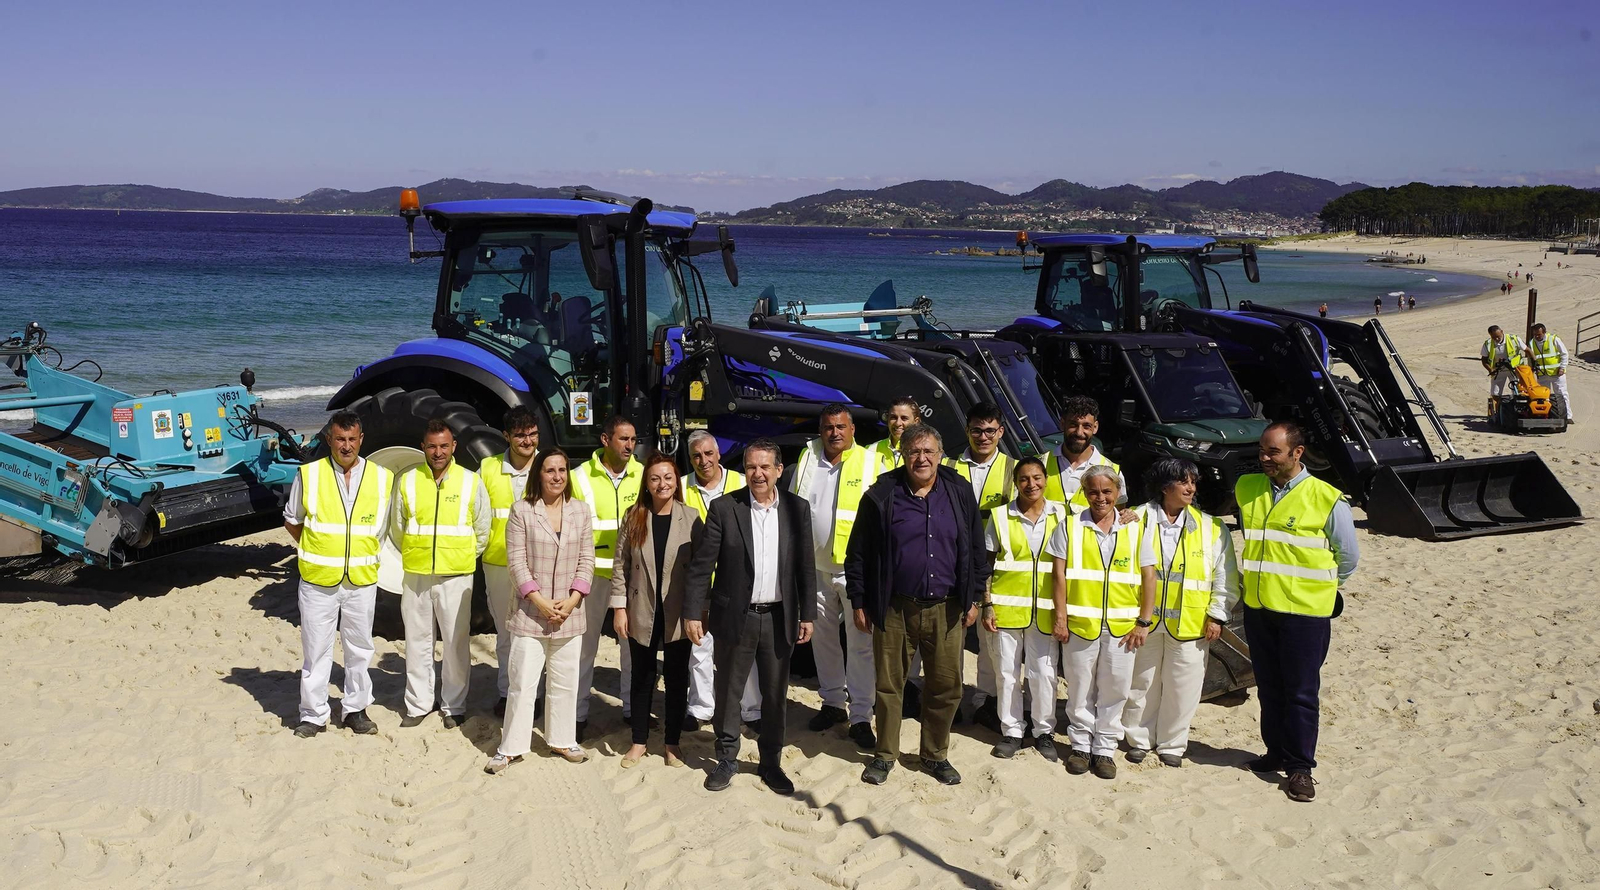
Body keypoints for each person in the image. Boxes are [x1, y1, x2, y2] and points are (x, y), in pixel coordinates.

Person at [848, 424, 987, 787]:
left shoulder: (958, 491)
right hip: (895, 608)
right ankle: (884, 755)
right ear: (903, 455)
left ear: (940, 455)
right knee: (889, 685)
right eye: (914, 451)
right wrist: (860, 600)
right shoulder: (881, 494)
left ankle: (934, 755)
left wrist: (975, 596)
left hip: (948, 608)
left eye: (928, 451)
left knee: (946, 685)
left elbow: (975, 548)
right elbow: (858, 553)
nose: (921, 458)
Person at [685, 439, 817, 794]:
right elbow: (702, 566)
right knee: (729, 691)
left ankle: (770, 763)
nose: (757, 474)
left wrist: (808, 613)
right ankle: (726, 759)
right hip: (735, 617)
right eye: (750, 467)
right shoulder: (725, 508)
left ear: (777, 470)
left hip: (778, 617)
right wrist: (694, 611)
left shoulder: (796, 508)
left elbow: (805, 566)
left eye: (764, 467)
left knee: (775, 694)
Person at [1238, 422, 1359, 803]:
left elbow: (1348, 557)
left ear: (1297, 453)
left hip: (1305, 614)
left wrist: (1319, 590)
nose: (1264, 458)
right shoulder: (1246, 487)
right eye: (1262, 450)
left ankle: (1301, 768)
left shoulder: (1326, 498)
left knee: (1301, 692)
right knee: (1269, 687)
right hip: (1259, 608)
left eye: (1273, 452)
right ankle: (1275, 752)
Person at [283, 411, 393, 738]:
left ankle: (355, 710)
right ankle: (313, 715)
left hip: (361, 579)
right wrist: (318, 549)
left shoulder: (381, 477)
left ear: (361, 440)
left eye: (352, 439)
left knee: (360, 648)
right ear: (330, 439)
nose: (346, 446)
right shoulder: (309, 474)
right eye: (340, 439)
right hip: (318, 581)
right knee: (316, 649)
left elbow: (384, 527)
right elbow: (292, 519)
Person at [1123, 458, 1238, 768]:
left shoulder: (1211, 527)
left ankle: (1173, 744)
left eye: (1193, 482)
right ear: (1165, 487)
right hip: (1142, 621)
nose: (1191, 488)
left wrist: (1217, 614)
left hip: (1190, 622)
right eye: (1184, 482)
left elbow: (1225, 575)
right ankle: (1138, 739)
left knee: (1183, 685)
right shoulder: (1135, 520)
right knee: (1141, 682)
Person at [485, 448, 593, 772]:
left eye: (562, 470)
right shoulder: (522, 511)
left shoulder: (581, 511)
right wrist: (541, 602)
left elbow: (586, 560)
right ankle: (512, 747)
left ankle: (561, 740)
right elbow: (516, 563)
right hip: (531, 613)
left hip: (569, 614)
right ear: (539, 474)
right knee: (522, 681)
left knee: (564, 681)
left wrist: (573, 600)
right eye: (550, 470)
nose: (557, 476)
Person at [1047, 465, 1147, 781]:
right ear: (1085, 493)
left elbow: (1149, 576)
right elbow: (1058, 575)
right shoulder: (1070, 526)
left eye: (1107, 491)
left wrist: (1144, 621)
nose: (1100, 497)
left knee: (1115, 689)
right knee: (1079, 689)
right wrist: (1060, 617)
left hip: (1122, 627)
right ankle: (1080, 747)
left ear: (1118, 493)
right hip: (1080, 623)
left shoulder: (1135, 527)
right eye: (1093, 491)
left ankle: (1104, 749)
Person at [391, 421, 491, 729]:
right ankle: (419, 703)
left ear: (454, 447)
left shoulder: (470, 481)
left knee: (455, 642)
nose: (438, 452)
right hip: (417, 574)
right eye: (432, 446)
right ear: (423, 446)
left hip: (456, 575)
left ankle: (453, 705)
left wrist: (458, 557)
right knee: (417, 640)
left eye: (444, 446)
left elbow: (482, 529)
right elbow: (398, 525)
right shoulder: (408, 481)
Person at [791, 405, 878, 748]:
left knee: (861, 644)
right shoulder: (808, 455)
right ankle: (832, 704)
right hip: (814, 567)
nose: (834, 433)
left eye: (841, 427)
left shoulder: (870, 462)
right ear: (820, 429)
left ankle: (861, 716)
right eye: (828, 427)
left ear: (853, 429)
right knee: (823, 640)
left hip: (854, 570)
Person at [611, 454, 703, 768]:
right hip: (641, 608)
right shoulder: (633, 516)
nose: (662, 484)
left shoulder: (691, 518)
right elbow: (620, 567)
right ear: (646, 484)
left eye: (668, 477)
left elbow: (702, 570)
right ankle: (638, 742)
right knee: (642, 677)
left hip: (678, 611)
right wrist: (619, 608)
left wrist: (699, 612)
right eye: (654, 478)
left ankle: (672, 744)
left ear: (676, 481)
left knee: (678, 679)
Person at [981, 457, 1067, 760]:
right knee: (1006, 673)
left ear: (1046, 479)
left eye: (1037, 478)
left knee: (1043, 674)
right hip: (1006, 609)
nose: (1031, 484)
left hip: (1045, 611)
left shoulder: (1064, 514)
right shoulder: (1001, 516)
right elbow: (987, 565)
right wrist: (987, 604)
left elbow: (1106, 514)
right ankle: (1012, 732)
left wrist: (1128, 516)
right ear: (1015, 483)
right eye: (1024, 479)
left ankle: (1043, 732)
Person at [679, 431, 761, 731]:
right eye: (697, 456)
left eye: (709, 454)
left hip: (736, 579)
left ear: (719, 453)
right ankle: (701, 708)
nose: (704, 461)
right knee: (700, 645)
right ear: (691, 459)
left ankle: (752, 710)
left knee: (744, 647)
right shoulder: (681, 486)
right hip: (700, 580)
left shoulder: (741, 482)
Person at [570, 415, 644, 739]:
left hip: (632, 576)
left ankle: (631, 710)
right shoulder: (579, 477)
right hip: (592, 575)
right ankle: (576, 715)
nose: (630, 446)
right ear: (605, 440)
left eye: (633, 440)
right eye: (623, 439)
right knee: (584, 648)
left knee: (632, 647)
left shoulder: (643, 474)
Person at [942, 402, 1015, 729]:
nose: (983, 437)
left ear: (1000, 431)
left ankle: (985, 700)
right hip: (950, 560)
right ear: (967, 431)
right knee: (950, 633)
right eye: (976, 430)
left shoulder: (1014, 470)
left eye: (990, 430)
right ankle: (951, 700)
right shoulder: (949, 466)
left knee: (990, 638)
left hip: (995, 565)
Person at [479, 406, 541, 717]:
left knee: (537, 633)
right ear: (506, 436)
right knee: (505, 633)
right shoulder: (488, 468)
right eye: (520, 435)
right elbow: (478, 516)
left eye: (532, 434)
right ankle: (507, 694)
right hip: (499, 563)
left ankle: (535, 695)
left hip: (540, 566)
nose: (528, 441)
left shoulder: (549, 467)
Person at [1043, 396, 1127, 510]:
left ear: (1095, 427)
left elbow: (1117, 515)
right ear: (1062, 424)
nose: (1079, 432)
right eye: (1073, 425)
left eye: (1086, 426)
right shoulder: (1040, 464)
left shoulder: (1113, 471)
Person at [1526, 323, 1574, 423]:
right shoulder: (1532, 343)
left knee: (1561, 394)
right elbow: (1530, 358)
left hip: (1556, 373)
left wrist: (1562, 367)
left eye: (1539, 334)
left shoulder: (1553, 339)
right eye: (1535, 334)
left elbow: (1564, 353)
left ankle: (1567, 416)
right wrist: (1532, 369)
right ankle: (1546, 415)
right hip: (1542, 374)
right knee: (1542, 396)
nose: (1537, 336)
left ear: (1544, 332)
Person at [1480, 325, 1527, 412]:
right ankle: (1497, 412)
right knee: (1495, 393)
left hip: (1514, 369)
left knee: (1519, 391)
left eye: (1498, 336)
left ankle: (1519, 410)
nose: (1496, 339)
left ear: (1502, 332)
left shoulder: (1514, 339)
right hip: (1498, 371)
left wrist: (1533, 364)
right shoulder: (1488, 344)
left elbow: (1527, 350)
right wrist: (1490, 369)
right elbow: (1484, 360)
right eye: (1494, 337)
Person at [872, 397, 920, 474]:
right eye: (893, 417)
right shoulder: (871, 450)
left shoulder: (929, 452)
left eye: (904, 418)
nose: (898, 423)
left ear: (916, 422)